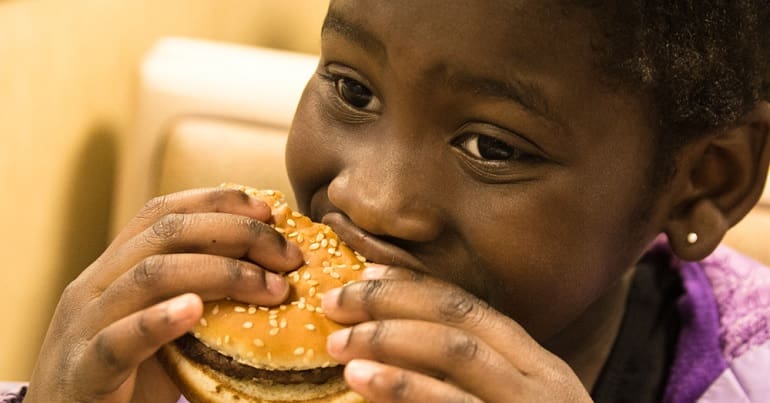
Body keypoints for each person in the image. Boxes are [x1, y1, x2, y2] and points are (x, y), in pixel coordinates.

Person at [7, 0, 770, 402]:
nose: (367, 200)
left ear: (709, 181)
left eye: (493, 147)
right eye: (352, 88)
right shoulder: (182, 360)